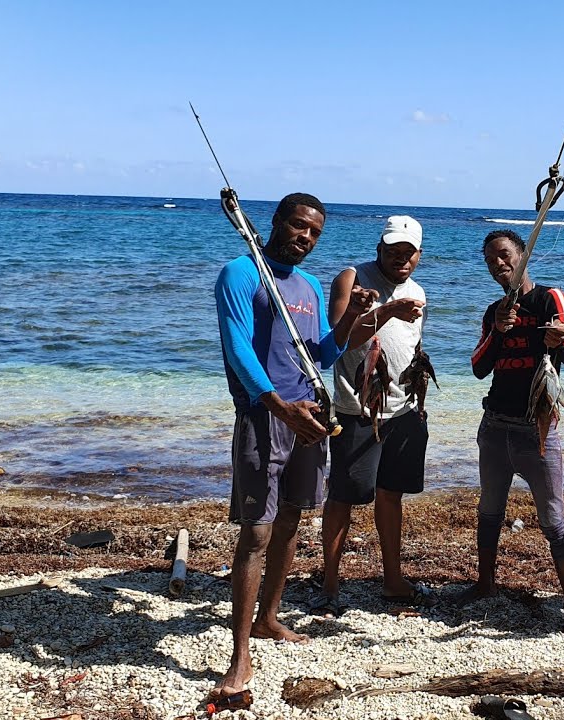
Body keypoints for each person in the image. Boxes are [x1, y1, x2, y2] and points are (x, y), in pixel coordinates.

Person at [212, 192, 375, 698]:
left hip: (310, 417)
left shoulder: (304, 284)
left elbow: (324, 352)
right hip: (266, 416)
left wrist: (360, 319)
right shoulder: (240, 273)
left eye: (315, 232)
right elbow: (238, 347)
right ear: (278, 221)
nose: (305, 237)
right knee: (256, 533)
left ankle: (269, 618)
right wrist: (279, 407)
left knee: (290, 523)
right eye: (299, 226)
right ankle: (240, 653)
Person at [455, 228, 564, 636]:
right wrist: (498, 329)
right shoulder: (494, 311)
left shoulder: (551, 298)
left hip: (537, 433)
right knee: (489, 510)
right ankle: (484, 584)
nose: (499, 264)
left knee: (553, 518)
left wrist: (558, 339)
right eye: (491, 259)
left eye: (505, 255)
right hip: (494, 427)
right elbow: (479, 367)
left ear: (523, 255)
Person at [315, 215, 431, 616]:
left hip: (404, 411)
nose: (401, 258)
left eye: (408, 252)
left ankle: (393, 580)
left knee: (391, 495)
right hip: (355, 410)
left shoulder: (417, 291)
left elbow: (413, 348)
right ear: (379, 248)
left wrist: (420, 399)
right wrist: (386, 311)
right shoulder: (352, 278)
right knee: (342, 498)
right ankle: (330, 585)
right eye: (393, 250)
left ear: (418, 254)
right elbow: (339, 340)